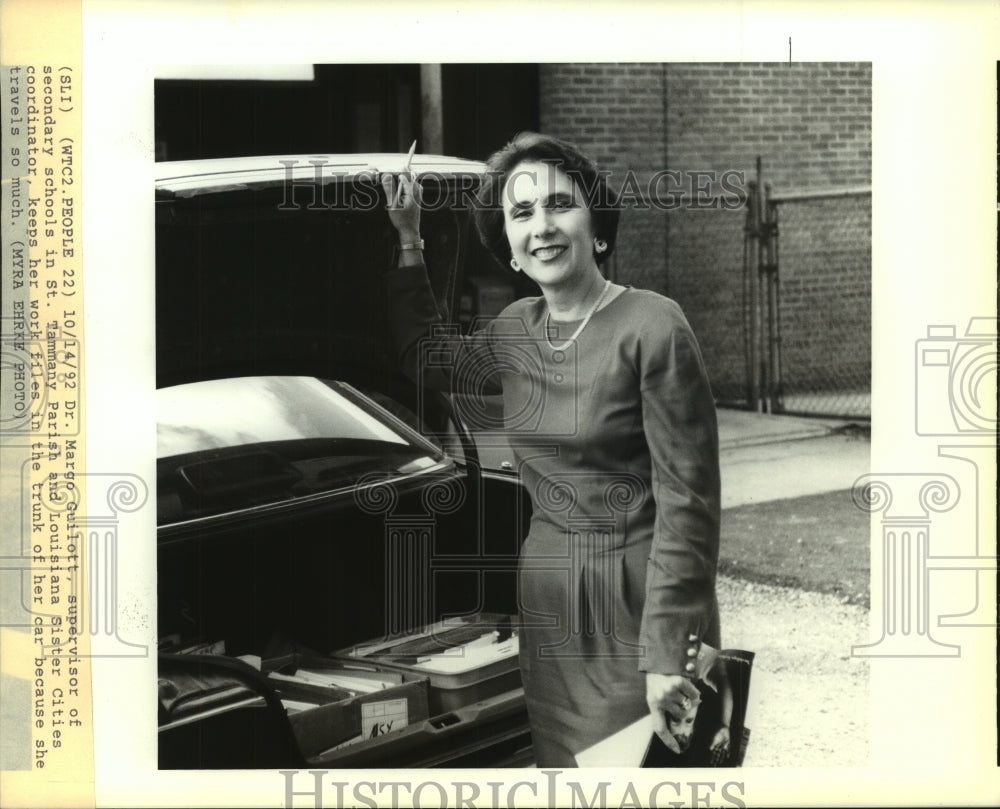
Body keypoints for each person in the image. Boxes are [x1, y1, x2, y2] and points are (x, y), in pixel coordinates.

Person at [380, 132, 721, 767]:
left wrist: (670, 653)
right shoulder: (514, 328)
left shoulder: (654, 325)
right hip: (550, 600)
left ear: (596, 224)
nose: (542, 226)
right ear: (509, 247)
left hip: (638, 603)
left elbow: (690, 505)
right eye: (522, 212)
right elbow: (425, 358)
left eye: (559, 204)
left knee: (648, 777)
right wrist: (408, 237)